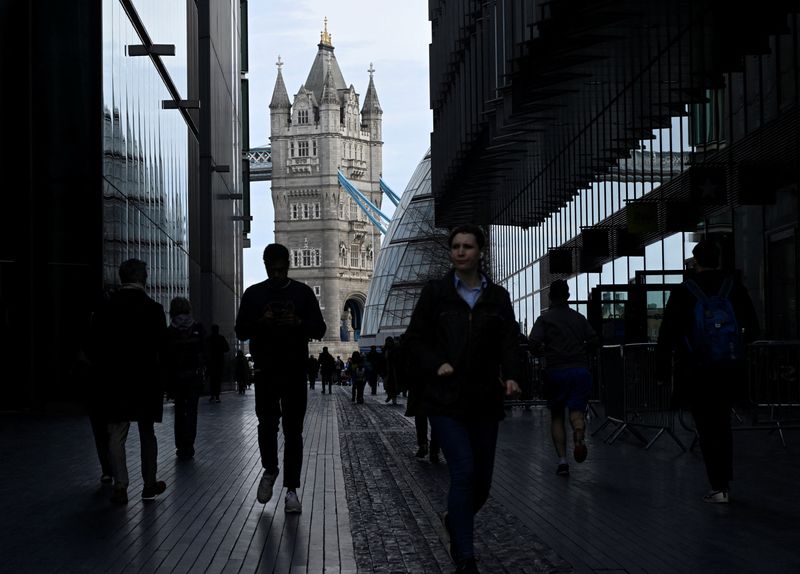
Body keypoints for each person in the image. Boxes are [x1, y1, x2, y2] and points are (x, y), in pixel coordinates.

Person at [404, 224, 522, 573]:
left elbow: (509, 342)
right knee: (464, 472)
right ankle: (465, 558)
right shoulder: (435, 293)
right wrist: (435, 363)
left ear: (480, 252)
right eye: (455, 246)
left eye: (467, 246)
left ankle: (453, 517)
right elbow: (414, 339)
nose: (460, 252)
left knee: (483, 484)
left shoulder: (497, 298)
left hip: (484, 399)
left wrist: (514, 375)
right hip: (445, 400)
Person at [657, 239, 758, 503]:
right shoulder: (733, 287)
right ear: (719, 259)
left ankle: (717, 486)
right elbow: (754, 329)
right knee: (723, 425)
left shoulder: (684, 291)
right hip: (728, 368)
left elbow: (667, 333)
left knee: (706, 426)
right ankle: (725, 482)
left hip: (696, 370)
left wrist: (661, 368)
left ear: (696, 261)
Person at [235, 243, 326, 513]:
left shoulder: (303, 294)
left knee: (293, 431)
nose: (275, 274)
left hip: (295, 371)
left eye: (280, 269)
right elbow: (240, 331)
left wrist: (298, 323)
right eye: (270, 269)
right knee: (266, 425)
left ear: (288, 265)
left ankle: (291, 490)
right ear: (264, 265)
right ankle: (271, 469)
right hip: (265, 371)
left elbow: (320, 329)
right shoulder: (253, 295)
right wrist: (260, 323)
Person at [88, 258, 168, 504]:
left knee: (115, 433)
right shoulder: (153, 309)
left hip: (114, 379)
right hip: (145, 380)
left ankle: (120, 485)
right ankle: (149, 484)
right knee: (147, 433)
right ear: (142, 278)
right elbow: (162, 349)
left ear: (123, 278)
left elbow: (94, 346)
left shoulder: (105, 309)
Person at [529, 279, 599, 477]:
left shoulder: (545, 319)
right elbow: (594, 340)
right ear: (568, 296)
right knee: (577, 413)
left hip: (556, 371)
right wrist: (583, 351)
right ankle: (578, 433)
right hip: (579, 370)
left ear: (551, 297)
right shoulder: (578, 318)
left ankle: (562, 461)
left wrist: (543, 352)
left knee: (557, 416)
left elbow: (533, 343)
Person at [163, 296, 205, 460]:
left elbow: (165, 356)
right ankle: (189, 444)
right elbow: (204, 351)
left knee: (179, 410)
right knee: (192, 410)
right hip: (193, 376)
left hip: (176, 377)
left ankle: (180, 445)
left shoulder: (170, 331)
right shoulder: (197, 328)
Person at [207, 324, 230, 403]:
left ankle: (212, 395)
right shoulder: (221, 338)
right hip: (219, 361)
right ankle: (217, 395)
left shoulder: (209, 339)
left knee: (212, 379)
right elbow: (227, 348)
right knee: (218, 379)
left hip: (211, 362)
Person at [382, 337, 399, 404]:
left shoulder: (395, 349)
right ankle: (390, 396)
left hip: (393, 369)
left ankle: (393, 398)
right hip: (388, 369)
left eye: (389, 342)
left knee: (393, 385)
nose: (388, 343)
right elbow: (383, 360)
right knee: (388, 385)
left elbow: (396, 358)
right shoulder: (385, 349)